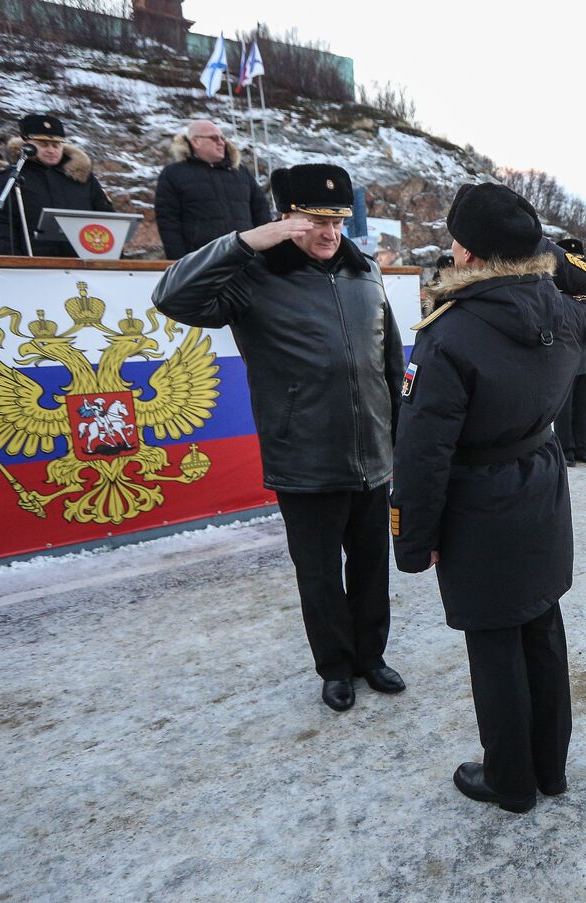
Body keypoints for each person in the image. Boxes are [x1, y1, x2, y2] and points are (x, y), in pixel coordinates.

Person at [389, 183, 586, 813]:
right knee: (542, 629)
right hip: (539, 483)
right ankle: (550, 768)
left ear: (464, 253)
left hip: (478, 501)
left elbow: (423, 451)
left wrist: (413, 540)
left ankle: (510, 780)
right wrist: (542, 250)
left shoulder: (450, 332)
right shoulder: (562, 311)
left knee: (495, 646)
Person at [151, 163, 407, 713]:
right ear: (284, 218)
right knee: (318, 575)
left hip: (372, 455)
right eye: (315, 220)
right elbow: (171, 297)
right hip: (305, 456)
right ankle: (335, 667)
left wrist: (397, 434)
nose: (328, 232)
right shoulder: (253, 277)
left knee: (370, 568)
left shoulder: (364, 273)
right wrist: (244, 243)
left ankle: (371, 657)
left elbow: (387, 359)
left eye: (337, 220)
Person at [0, 114, 113, 257]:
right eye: (43, 144)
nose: (51, 150)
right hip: (34, 262)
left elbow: (107, 216)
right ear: (27, 144)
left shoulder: (82, 177)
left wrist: (112, 256)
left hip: (82, 260)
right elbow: (0, 222)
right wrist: (13, 260)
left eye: (56, 145)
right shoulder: (9, 178)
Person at [154, 118, 273, 260]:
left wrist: (265, 254)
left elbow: (261, 212)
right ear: (195, 141)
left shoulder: (240, 172)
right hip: (201, 262)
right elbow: (168, 222)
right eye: (214, 138)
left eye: (222, 138)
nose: (221, 142)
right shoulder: (173, 173)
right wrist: (180, 263)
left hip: (246, 259)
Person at [554, 238, 586, 465]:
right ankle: (565, 449)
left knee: (584, 403)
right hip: (565, 350)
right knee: (565, 405)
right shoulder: (550, 278)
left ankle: (582, 447)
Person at [421, 252, 454, 317]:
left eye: (452, 268)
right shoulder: (431, 286)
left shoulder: (458, 284)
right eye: (446, 268)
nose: (450, 271)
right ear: (440, 270)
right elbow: (424, 309)